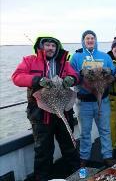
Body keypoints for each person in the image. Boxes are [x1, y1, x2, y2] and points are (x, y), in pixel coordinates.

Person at [12, 36, 79, 180]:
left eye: (53, 46)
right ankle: (42, 178)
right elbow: (16, 77)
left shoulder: (64, 63)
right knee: (43, 150)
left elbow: (75, 75)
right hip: (40, 113)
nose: (50, 48)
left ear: (57, 48)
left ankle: (78, 175)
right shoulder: (29, 60)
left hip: (64, 110)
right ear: (41, 47)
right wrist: (37, 80)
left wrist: (72, 79)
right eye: (47, 45)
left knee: (70, 146)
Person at [70, 30, 116, 167]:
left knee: (105, 130)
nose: (90, 40)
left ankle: (107, 155)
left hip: (103, 100)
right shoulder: (76, 57)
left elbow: (113, 72)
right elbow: (71, 75)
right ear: (83, 41)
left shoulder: (104, 56)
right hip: (84, 102)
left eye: (92, 38)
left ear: (96, 41)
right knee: (85, 132)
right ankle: (84, 157)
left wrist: (109, 71)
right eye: (87, 38)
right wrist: (79, 74)